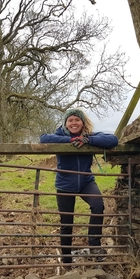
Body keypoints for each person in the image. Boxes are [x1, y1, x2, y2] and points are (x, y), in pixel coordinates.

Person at [39, 108, 118, 266]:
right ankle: (67, 259)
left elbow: (113, 139)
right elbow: (44, 138)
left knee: (98, 205)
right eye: (70, 120)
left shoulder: (89, 136)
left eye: (77, 120)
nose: (74, 123)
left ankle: (94, 247)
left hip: (85, 182)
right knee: (67, 223)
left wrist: (87, 140)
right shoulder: (59, 135)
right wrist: (70, 141)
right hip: (65, 184)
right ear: (66, 123)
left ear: (83, 122)